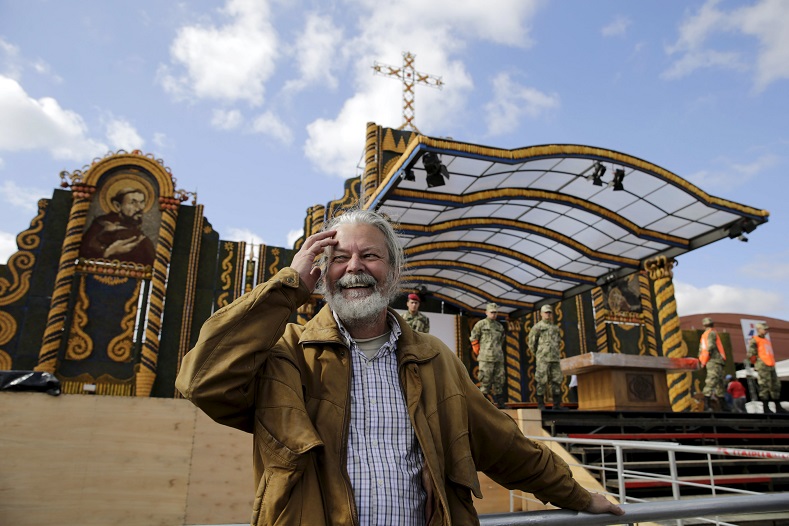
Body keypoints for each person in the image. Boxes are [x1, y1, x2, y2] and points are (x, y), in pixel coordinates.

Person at [176, 208, 624, 525]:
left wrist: (581, 496)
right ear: (320, 270)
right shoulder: (286, 355)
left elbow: (505, 445)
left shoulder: (435, 359)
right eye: (339, 258)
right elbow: (201, 379)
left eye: (370, 256)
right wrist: (288, 286)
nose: (355, 268)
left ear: (392, 272)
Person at [79, 187, 155, 265]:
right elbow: (83, 254)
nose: (140, 208)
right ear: (117, 206)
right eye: (133, 203)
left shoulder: (139, 234)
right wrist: (109, 252)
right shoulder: (101, 225)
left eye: (142, 202)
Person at [469, 302, 506, 408]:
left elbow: (501, 340)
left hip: (498, 358)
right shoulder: (481, 324)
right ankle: (482, 404)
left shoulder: (499, 326)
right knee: (485, 380)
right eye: (492, 312)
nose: (494, 314)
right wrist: (479, 351)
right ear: (486, 312)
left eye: (495, 312)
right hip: (485, 358)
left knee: (499, 380)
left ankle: (500, 402)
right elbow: (474, 338)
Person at [528, 304, 565, 410]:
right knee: (541, 380)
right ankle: (540, 404)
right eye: (546, 312)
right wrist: (538, 354)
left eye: (549, 312)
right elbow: (532, 343)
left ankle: (557, 404)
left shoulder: (555, 328)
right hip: (543, 358)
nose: (548, 314)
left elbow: (558, 342)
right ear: (541, 314)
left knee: (557, 380)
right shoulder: (537, 327)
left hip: (554, 358)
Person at [747, 322, 786, 413]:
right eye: (764, 329)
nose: (766, 331)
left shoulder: (766, 341)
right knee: (764, 386)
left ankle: (777, 406)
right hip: (763, 365)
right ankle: (765, 407)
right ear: (759, 330)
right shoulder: (755, 340)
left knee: (775, 385)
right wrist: (757, 364)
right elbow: (751, 354)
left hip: (771, 365)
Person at [698, 317, 727, 412]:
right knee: (714, 381)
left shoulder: (704, 335)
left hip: (711, 361)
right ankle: (707, 405)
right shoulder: (711, 333)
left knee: (718, 383)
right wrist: (705, 360)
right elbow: (710, 347)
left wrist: (702, 361)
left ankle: (720, 406)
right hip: (714, 361)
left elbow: (701, 350)